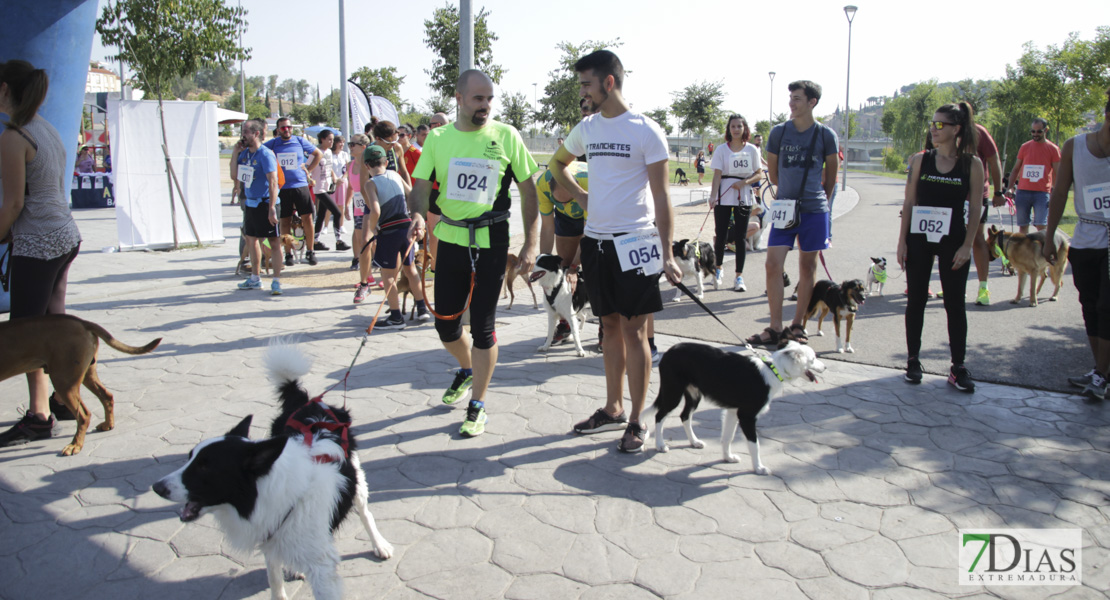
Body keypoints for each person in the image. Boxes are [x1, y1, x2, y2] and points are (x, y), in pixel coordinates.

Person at [551, 49, 681, 453]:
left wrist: (668, 253)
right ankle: (613, 408)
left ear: (609, 82)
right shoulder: (587, 128)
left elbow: (662, 195)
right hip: (596, 242)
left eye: (587, 84)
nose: (582, 93)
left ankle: (637, 420)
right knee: (607, 327)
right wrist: (581, 196)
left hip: (635, 243)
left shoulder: (646, 130)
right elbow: (556, 166)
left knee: (634, 330)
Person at [407, 70, 540, 438]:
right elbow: (419, 187)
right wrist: (417, 214)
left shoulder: (506, 136)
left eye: (489, 99)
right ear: (459, 98)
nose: (485, 106)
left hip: (491, 242)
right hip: (448, 239)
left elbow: (530, 193)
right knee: (446, 325)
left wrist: (531, 242)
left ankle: (478, 403)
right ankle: (467, 369)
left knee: (482, 327)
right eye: (478, 98)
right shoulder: (437, 138)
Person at [0, 60, 84, 447]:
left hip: (39, 243)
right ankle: (67, 400)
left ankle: (39, 416)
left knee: (28, 333)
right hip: (65, 235)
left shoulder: (14, 136)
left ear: (5, 91)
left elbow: (14, 203)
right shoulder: (45, 126)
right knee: (55, 322)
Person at [897, 102, 984, 392]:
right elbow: (909, 202)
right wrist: (901, 241)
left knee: (955, 304)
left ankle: (958, 366)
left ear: (956, 129)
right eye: (931, 124)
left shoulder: (971, 164)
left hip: (954, 240)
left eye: (939, 125)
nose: (933, 130)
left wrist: (968, 245)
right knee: (916, 300)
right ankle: (913, 360)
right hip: (919, 238)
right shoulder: (921, 160)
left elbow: (975, 209)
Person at [748, 80, 839, 346]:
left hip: (814, 210)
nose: (792, 102)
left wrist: (821, 202)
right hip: (785, 208)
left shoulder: (826, 135)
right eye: (790, 97)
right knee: (772, 263)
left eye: (797, 98)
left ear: (812, 102)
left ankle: (798, 325)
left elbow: (831, 178)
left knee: (807, 266)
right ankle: (775, 327)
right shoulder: (779, 132)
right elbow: (773, 174)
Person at [1043, 87, 1110, 402]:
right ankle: (1101, 371)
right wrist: (1049, 236)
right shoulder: (1074, 147)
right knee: (1090, 306)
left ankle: (1102, 375)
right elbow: (1058, 193)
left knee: (1107, 307)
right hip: (1085, 239)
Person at [359, 144, 430, 325]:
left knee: (388, 274)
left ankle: (396, 316)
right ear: (385, 161)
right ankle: (422, 308)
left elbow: (374, 210)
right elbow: (411, 194)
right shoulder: (396, 175)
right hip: (405, 227)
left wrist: (374, 228)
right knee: (411, 269)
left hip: (388, 230)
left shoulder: (370, 183)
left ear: (367, 165)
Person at [709, 114, 763, 292]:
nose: (736, 129)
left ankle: (738, 276)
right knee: (721, 234)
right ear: (729, 129)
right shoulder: (721, 150)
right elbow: (717, 175)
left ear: (744, 128)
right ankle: (718, 269)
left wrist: (744, 183)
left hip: (743, 196)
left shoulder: (752, 150)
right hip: (724, 196)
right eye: (733, 126)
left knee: (740, 237)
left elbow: (758, 173)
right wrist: (713, 196)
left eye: (739, 126)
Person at [231, 119, 283, 294]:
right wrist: (235, 153)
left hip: (266, 202)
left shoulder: (265, 154)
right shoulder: (245, 154)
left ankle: (276, 281)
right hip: (251, 203)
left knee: (274, 242)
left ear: (256, 133)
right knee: (251, 240)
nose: (243, 136)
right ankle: (255, 277)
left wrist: (271, 208)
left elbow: (273, 182)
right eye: (243, 132)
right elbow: (234, 176)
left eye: (246, 132)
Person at [265, 117, 322, 266]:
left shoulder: (299, 141)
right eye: (283, 128)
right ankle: (288, 253)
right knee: (284, 220)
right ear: (278, 130)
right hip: (283, 187)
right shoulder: (273, 143)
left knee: (307, 219)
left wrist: (308, 171)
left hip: (300, 185)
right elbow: (260, 151)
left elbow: (318, 154)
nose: (286, 130)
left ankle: (310, 251)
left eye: (289, 127)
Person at [966, 108, 1006, 306]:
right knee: (953, 240)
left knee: (977, 238)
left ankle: (983, 287)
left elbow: (994, 160)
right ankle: (954, 284)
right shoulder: (949, 132)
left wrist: (998, 192)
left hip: (976, 195)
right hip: (953, 195)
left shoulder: (979, 132)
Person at [1007, 118, 1061, 234]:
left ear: (1045, 130)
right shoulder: (1025, 147)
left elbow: (1058, 173)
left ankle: (1042, 251)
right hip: (1023, 192)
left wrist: (1055, 193)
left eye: (1039, 131)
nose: (1035, 134)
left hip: (1042, 193)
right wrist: (1010, 187)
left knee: (1041, 226)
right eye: (1033, 131)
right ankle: (1024, 251)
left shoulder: (1053, 149)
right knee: (1023, 227)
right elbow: (1016, 169)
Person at [309, 129, 350, 252]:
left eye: (333, 139)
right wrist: (308, 177)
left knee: (321, 215)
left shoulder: (328, 152)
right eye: (329, 139)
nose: (332, 142)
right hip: (319, 188)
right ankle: (339, 240)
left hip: (327, 187)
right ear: (322, 139)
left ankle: (315, 241)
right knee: (337, 213)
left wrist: (334, 179)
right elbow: (307, 167)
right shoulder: (316, 152)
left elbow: (330, 168)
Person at [423, 112, 450, 271]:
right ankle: (436, 268)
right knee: (437, 232)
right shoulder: (457, 140)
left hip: (439, 191)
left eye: (431, 124)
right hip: (444, 191)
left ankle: (435, 268)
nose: (429, 127)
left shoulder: (433, 142)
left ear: (438, 126)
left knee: (435, 232)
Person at [331, 135, 350, 236]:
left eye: (343, 142)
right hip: (332, 181)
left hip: (342, 181)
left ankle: (341, 225)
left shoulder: (345, 154)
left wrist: (343, 178)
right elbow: (329, 167)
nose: (342, 144)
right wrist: (335, 178)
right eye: (340, 142)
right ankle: (325, 226)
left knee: (341, 205)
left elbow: (347, 167)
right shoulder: (330, 154)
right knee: (330, 205)